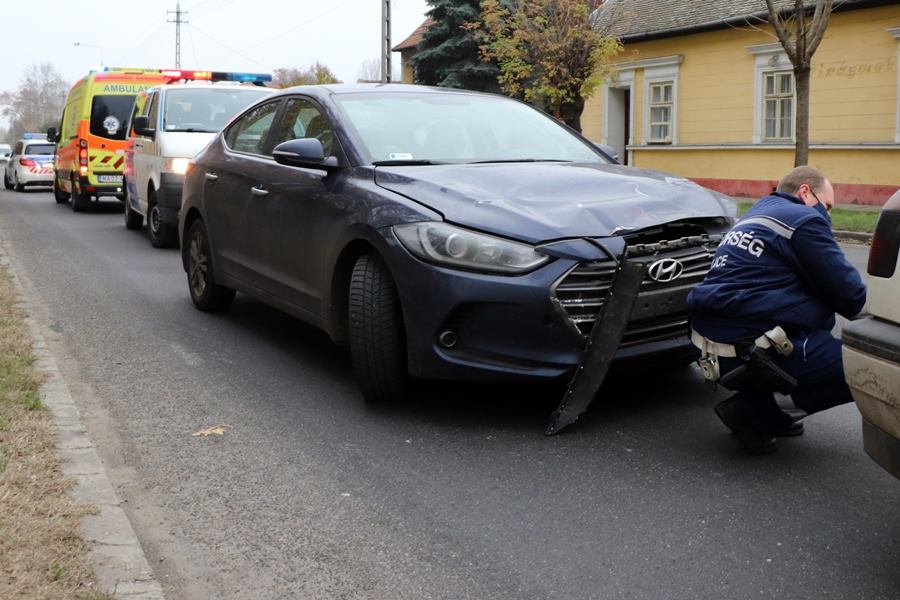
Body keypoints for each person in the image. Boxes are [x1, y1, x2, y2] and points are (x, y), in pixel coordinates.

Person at [686, 166, 867, 454]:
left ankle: (765, 407)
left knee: (817, 320)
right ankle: (755, 413)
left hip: (707, 348)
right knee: (867, 371)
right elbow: (851, 295)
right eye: (828, 205)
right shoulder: (803, 219)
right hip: (751, 352)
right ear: (805, 192)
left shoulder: (753, 216)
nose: (828, 215)